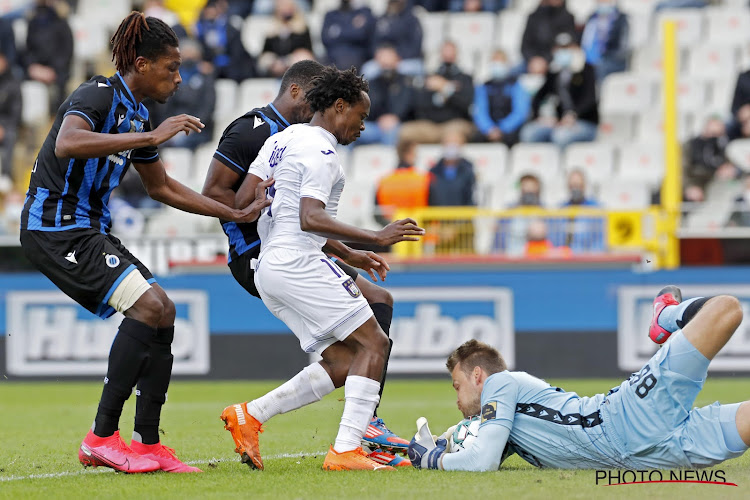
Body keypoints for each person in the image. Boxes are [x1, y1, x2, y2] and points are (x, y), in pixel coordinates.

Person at [19, 12, 272, 474]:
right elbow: (67, 143)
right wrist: (151, 135)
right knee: (150, 308)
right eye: (170, 67)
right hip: (54, 228)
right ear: (140, 63)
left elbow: (163, 188)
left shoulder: (137, 113)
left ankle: (147, 444)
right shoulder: (97, 94)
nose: (178, 77)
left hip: (88, 228)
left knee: (164, 311)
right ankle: (100, 438)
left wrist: (231, 212)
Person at [204, 62, 418, 469]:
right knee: (375, 343)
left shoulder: (282, 140)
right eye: (361, 116)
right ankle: (347, 450)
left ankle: (251, 415)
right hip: (299, 262)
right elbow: (310, 218)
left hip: (269, 267)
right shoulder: (323, 152)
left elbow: (246, 200)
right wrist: (376, 237)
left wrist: (347, 253)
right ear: (339, 106)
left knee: (342, 361)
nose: (362, 126)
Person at [408, 286, 750, 470]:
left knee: (725, 309)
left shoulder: (501, 383)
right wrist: (442, 442)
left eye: (458, 385)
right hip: (646, 459)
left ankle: (666, 315)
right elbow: (479, 447)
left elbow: (480, 463)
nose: (456, 399)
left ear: (478, 375)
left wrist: (431, 459)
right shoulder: (507, 430)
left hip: (628, 419)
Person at [520, 33, 599, 148]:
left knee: (561, 136)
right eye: (560, 49)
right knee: (529, 133)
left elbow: (590, 99)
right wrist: (540, 117)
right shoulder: (554, 73)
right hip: (559, 122)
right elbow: (539, 97)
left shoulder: (586, 70)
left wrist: (573, 115)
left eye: (566, 48)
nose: (563, 52)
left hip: (584, 122)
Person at [399, 40, 475, 144]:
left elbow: (466, 103)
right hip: (430, 125)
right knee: (405, 132)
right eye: (445, 52)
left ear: (457, 54)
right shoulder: (430, 77)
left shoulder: (464, 79)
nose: (447, 55)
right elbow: (420, 105)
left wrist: (446, 88)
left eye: (450, 52)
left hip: (454, 124)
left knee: (453, 136)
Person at [473, 49, 531, 146]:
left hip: (510, 130)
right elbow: (480, 111)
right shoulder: (484, 87)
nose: (497, 65)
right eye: (494, 62)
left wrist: (503, 128)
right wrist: (489, 129)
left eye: (500, 62)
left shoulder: (516, 85)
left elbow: (520, 112)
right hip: (489, 130)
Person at [375, 139, 428, 225]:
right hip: (418, 231)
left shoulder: (384, 181)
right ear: (409, 155)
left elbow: (377, 212)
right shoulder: (423, 179)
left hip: (391, 232)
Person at [258, 0, 313, 78]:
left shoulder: (302, 28)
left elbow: (307, 51)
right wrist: (275, 62)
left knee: (302, 56)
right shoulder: (271, 30)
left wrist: (288, 61)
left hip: (296, 70)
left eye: (287, 5)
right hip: (275, 68)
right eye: (282, 5)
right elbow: (265, 53)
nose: (285, 8)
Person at [580, 0, 630, 83]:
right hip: (592, 61)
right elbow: (586, 42)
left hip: (613, 61)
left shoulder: (621, 19)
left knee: (601, 67)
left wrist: (603, 58)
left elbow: (622, 48)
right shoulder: (592, 18)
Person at [321, 0, 376, 72]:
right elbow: (325, 39)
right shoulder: (331, 15)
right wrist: (352, 30)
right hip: (333, 58)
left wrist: (338, 32)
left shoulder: (365, 12)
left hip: (358, 58)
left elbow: (362, 35)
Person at [0, 51, 21, 192]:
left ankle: (5, 175)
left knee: (10, 135)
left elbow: (15, 112)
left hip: (6, 123)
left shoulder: (12, 83)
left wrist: (3, 126)